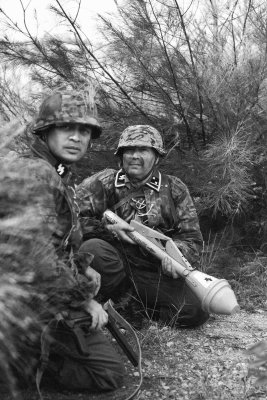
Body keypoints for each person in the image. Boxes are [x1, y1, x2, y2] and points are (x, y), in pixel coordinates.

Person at [11, 87, 124, 392]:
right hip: (21, 295)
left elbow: (58, 240)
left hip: (33, 289)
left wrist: (82, 265)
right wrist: (85, 301)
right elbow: (37, 255)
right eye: (66, 128)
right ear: (46, 132)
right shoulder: (36, 174)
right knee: (108, 374)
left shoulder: (57, 173)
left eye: (84, 130)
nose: (77, 137)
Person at [77, 125, 209, 329]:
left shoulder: (174, 188)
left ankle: (134, 307)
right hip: (114, 264)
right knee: (92, 249)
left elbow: (192, 239)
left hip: (153, 272)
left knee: (197, 310)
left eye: (143, 150)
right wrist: (107, 229)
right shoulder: (103, 182)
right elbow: (69, 220)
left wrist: (175, 257)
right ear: (121, 156)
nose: (134, 156)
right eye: (129, 150)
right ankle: (119, 302)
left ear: (156, 157)